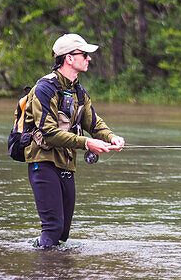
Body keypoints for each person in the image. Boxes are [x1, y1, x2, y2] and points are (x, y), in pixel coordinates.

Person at [23, 33, 124, 248]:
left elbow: (94, 124)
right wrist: (87, 143)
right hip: (43, 163)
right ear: (69, 58)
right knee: (52, 227)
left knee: (63, 232)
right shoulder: (44, 89)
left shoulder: (79, 91)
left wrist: (112, 137)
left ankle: (57, 272)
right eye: (84, 55)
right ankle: (45, 276)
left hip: (66, 164)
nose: (89, 59)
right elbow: (49, 132)